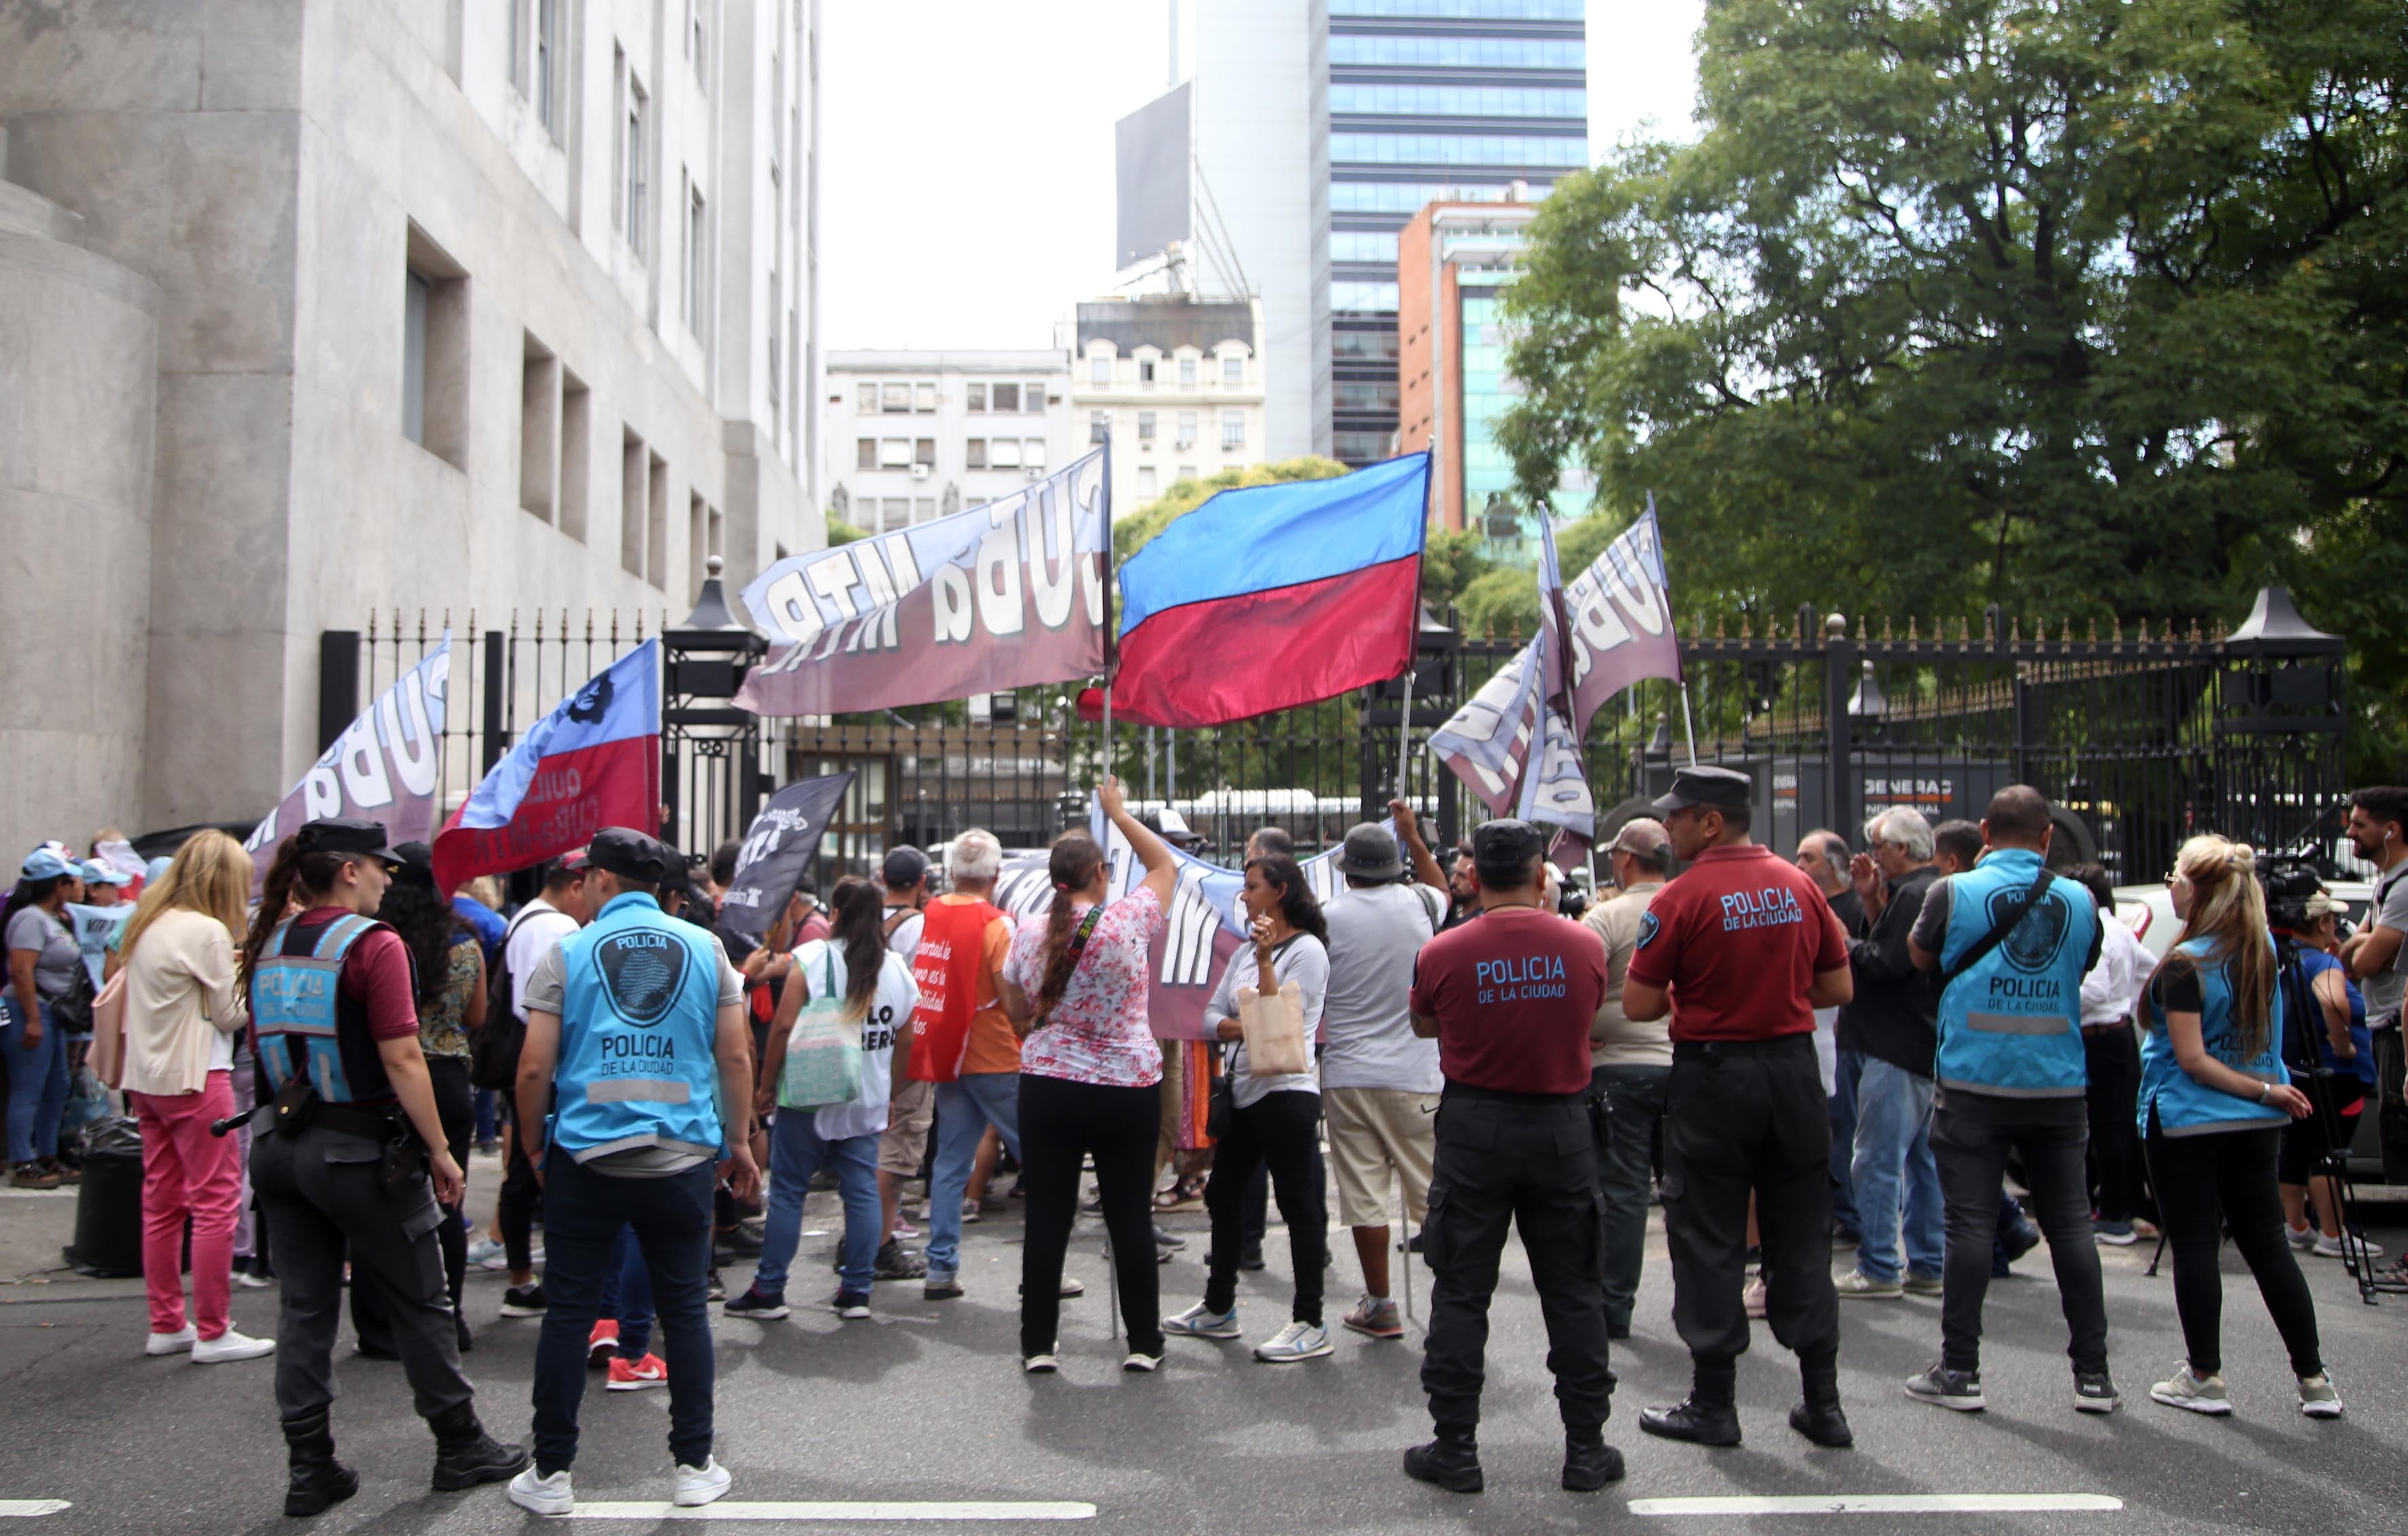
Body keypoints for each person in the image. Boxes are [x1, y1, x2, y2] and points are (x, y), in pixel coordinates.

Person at [241, 818, 525, 1517]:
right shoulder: (373, 944)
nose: (386, 878)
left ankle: (310, 1465)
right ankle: (459, 1443)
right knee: (423, 1298)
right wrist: (437, 1149)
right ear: (347, 870)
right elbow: (402, 1056)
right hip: (357, 1150)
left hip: (279, 1147)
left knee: (305, 1308)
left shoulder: (270, 942)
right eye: (379, 867)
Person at [508, 826, 760, 1515]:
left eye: (587, 875)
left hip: (585, 1158)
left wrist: (533, 1148)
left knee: (568, 1313)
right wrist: (737, 1142)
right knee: (684, 1311)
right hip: (681, 1157)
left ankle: (551, 1474)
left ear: (602, 881)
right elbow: (734, 1058)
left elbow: (533, 1067)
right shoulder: (707, 950)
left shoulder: (569, 951)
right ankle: (693, 1465)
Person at [1625, 769, 1854, 1450]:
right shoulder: (1800, 884)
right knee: (1803, 1234)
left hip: (1714, 1076)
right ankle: (1825, 1402)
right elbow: (1838, 984)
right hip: (1790, 1071)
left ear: (1712, 823)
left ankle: (1714, 1403)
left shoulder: (1681, 895)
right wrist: (1772, 990)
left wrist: (1706, 991)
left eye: (1678, 817)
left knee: (1708, 1236)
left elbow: (1638, 1004)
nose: (1667, 828)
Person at [1398, 818, 1615, 1494]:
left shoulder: (1443, 951)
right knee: (1574, 1290)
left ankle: (1455, 1445)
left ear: (1476, 876)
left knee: (1461, 1288)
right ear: (1540, 872)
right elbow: (1591, 1017)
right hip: (1560, 1125)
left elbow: (1425, 1021)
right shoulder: (1583, 945)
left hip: (1476, 1125)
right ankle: (1585, 1447)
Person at [1904, 786, 2111, 1415]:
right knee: (2072, 1225)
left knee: (1966, 1226)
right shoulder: (2080, 900)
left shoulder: (1952, 891)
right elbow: (2081, 966)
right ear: (2047, 837)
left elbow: (1920, 957)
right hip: (2056, 1084)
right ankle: (2094, 1378)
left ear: (1986, 829)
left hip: (1972, 1082)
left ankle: (1960, 1371)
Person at [2137, 835, 2339, 1420]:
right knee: (2269, 1245)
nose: (2171, 883)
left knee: (2196, 1244)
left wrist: (2262, 1089)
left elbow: (2192, 1059)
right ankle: (2314, 1379)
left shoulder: (2185, 963)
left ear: (2198, 890)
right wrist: (2265, 1092)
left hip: (2185, 1118)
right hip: (2254, 1122)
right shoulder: (2261, 954)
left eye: (2176, 875)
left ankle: (2204, 1375)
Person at [999, 777, 1179, 1372]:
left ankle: (1038, 1344)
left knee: (1049, 1210)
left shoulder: (1026, 934)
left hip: (1050, 1084)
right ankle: (1145, 1344)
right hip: (1126, 1085)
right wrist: (1119, 813)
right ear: (1099, 874)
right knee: (1129, 1212)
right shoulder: (1127, 921)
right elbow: (1164, 864)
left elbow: (1018, 1011)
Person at [1165, 852, 1333, 1361]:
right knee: (1222, 1195)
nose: (1243, 894)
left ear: (1279, 892)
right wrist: (1249, 1018)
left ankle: (1310, 1320)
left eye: (1252, 885)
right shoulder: (1243, 951)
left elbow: (1283, 1019)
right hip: (1241, 1092)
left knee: (1297, 1204)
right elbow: (1211, 1016)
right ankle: (1219, 1308)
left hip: (1286, 1093)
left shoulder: (1306, 951)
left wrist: (1263, 966)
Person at [728, 877, 920, 1321]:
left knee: (790, 1191)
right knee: (860, 1193)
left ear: (835, 914)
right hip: (867, 1096)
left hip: (809, 1094)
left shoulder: (812, 960)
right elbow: (906, 1038)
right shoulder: (895, 969)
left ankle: (770, 1289)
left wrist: (765, 1086)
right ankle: (856, 1290)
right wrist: (890, 1089)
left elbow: (781, 1028)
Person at [118, 830, 271, 1361]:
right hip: (198, 1075)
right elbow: (231, 1016)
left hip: (147, 1077)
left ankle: (168, 1323)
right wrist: (246, 973)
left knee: (162, 1202)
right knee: (215, 1203)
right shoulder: (206, 931)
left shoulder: (147, 923)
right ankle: (213, 1329)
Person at [1313, 817, 1442, 1342]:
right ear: (1393, 867)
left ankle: (1380, 1303)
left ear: (1347, 871)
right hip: (1417, 1071)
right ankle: (1455, 1297)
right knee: (1434, 1192)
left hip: (1348, 1072)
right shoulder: (1422, 905)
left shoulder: (1326, 918)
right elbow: (1437, 884)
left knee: (1363, 1196)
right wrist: (1414, 835)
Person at [357, 843, 486, 1352]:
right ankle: (448, 1318)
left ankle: (377, 1325)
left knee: (376, 1202)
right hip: (449, 1077)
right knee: (446, 1202)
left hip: (386, 1079)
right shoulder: (463, 943)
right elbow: (477, 1017)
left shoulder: (373, 941)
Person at [1833, 808, 1944, 1300]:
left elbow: (1889, 961)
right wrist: (1869, 902)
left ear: (1902, 849)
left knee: (1876, 1158)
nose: (1875, 855)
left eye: (1880, 846)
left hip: (1892, 1042)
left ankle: (1878, 1264)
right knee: (1921, 1160)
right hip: (1916, 1041)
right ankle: (1926, 1260)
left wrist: (1846, 942)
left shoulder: (1915, 894)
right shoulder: (1920, 891)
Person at [908, 831, 1023, 1301]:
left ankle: (940, 1267)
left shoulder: (929, 915)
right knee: (1046, 1161)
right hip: (996, 1055)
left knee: (950, 1162)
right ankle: (1049, 1271)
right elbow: (1012, 996)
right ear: (996, 876)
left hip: (948, 1053)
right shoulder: (998, 925)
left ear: (952, 872)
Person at [485, 854, 591, 1318]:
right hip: (546, 1068)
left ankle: (520, 1277)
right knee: (542, 1172)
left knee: (521, 1173)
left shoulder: (522, 918)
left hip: (524, 1062)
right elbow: (550, 1011)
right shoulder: (557, 931)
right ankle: (533, 1280)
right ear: (575, 887)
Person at [1582, 816, 1673, 1340]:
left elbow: (1577, 986)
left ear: (1624, 860)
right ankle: (1705, 1306)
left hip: (1616, 1069)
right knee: (1688, 1195)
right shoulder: (1688, 906)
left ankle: (1614, 1306)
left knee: (1622, 1194)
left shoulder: (1607, 917)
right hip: (1681, 1065)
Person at [2276, 890, 2378, 1260]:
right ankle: (2333, 1233)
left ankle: (2296, 1225)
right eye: (2332, 921)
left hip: (2295, 1069)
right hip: (2336, 1074)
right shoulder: (2322, 963)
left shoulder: (2282, 960)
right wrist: (2345, 1045)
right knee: (2327, 1151)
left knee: (2297, 1146)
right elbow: (2333, 1000)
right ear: (2322, 923)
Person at [2074, 864, 2154, 1244]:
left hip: (2098, 1038)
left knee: (2106, 1129)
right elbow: (2149, 971)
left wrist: (2053, 1002)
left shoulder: (2097, 932)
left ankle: (2114, 1216)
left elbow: (2094, 991)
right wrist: (2131, 1006)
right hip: (2119, 1035)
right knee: (2120, 1125)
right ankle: (2124, 1208)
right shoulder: (2121, 930)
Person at [5, 847, 88, 1189]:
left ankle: (46, 1153)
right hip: (27, 1010)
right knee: (29, 1087)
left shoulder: (52, 918)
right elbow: (22, 973)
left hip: (51, 1012)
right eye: (70, 881)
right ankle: (22, 1160)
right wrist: (33, 1020)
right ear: (58, 885)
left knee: (57, 1086)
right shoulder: (28, 919)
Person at [873, 845, 935, 1279]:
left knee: (865, 1141)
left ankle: (866, 1231)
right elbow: (926, 991)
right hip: (903, 1042)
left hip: (861, 1041)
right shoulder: (921, 927)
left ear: (882, 877)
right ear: (923, 884)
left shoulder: (861, 920)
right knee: (896, 1144)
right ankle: (877, 1244)